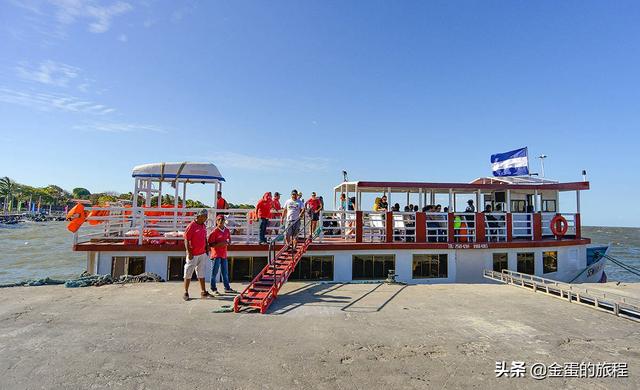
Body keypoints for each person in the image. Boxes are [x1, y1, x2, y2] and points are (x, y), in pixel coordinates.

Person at [183, 209, 213, 301]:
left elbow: (204, 237)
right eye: (204, 216)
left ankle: (203, 291)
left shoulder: (203, 226)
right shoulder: (191, 226)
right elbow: (186, 240)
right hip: (193, 254)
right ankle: (186, 292)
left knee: (201, 272)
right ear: (199, 216)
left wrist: (207, 247)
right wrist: (189, 252)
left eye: (206, 217)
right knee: (188, 272)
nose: (206, 218)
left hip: (202, 253)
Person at [208, 214, 237, 294]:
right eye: (219, 220)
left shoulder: (227, 230)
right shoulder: (214, 232)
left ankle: (227, 288)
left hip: (224, 254)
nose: (221, 221)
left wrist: (228, 242)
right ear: (216, 221)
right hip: (216, 255)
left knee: (225, 273)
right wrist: (220, 244)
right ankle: (213, 289)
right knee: (214, 273)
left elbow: (229, 239)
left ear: (224, 221)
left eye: (222, 220)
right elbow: (210, 244)